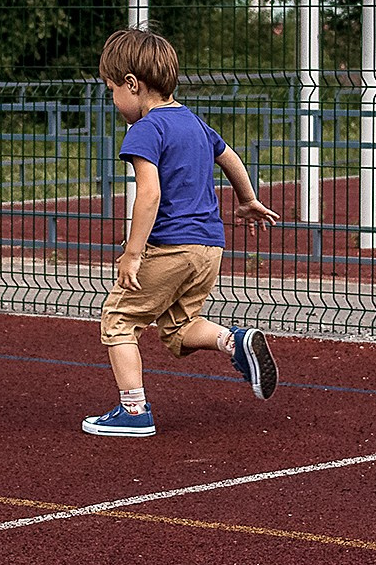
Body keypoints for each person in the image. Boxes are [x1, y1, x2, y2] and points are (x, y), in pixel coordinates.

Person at [83, 27, 281, 437]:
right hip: (209, 248)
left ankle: (134, 413)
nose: (113, 99)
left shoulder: (146, 129)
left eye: (111, 89)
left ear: (133, 85)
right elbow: (230, 157)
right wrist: (246, 199)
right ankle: (234, 341)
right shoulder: (193, 122)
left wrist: (133, 253)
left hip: (170, 247)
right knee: (178, 328)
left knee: (119, 320)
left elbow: (149, 194)